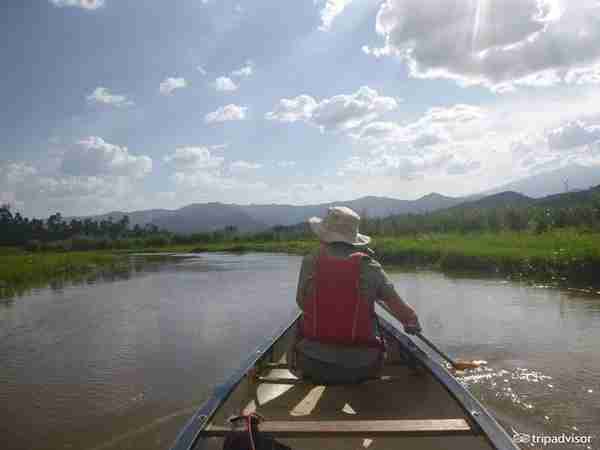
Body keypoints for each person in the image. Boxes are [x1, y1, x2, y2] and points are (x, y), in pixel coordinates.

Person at [289, 206, 422, 385]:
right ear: (354, 239)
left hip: (313, 364)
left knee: (300, 325)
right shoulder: (370, 266)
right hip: (363, 368)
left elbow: (302, 303)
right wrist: (411, 322)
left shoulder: (309, 261)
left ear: (324, 235)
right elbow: (403, 312)